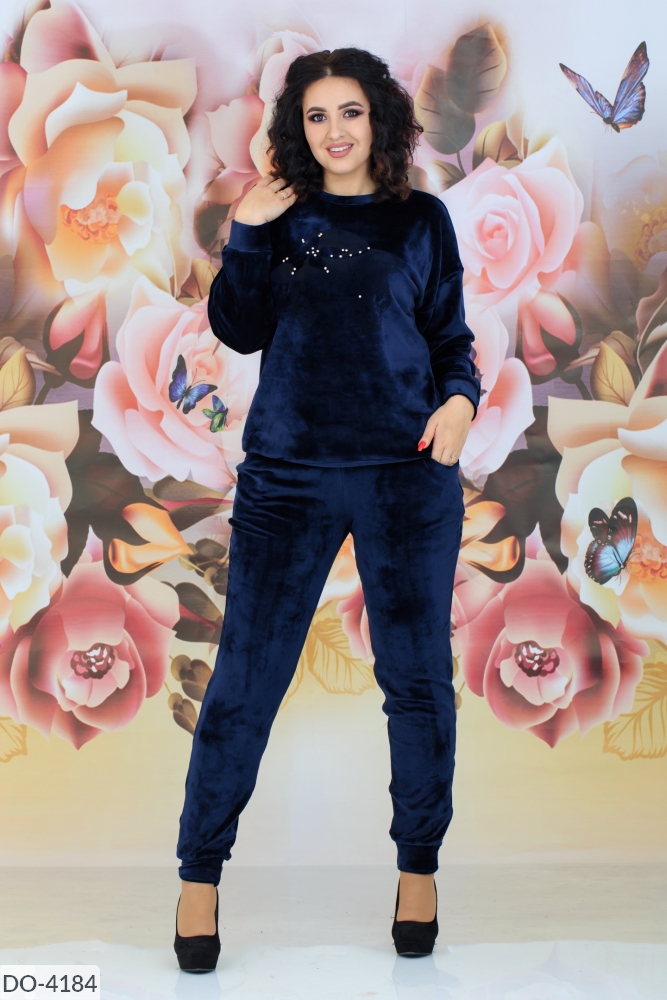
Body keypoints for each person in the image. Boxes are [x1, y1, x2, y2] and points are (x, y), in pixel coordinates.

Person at [174, 47, 479, 972]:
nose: (335, 131)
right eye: (316, 116)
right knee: (244, 681)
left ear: (377, 118)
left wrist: (459, 402)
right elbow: (239, 330)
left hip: (406, 473)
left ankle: (418, 868)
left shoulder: (421, 219)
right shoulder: (277, 216)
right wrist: (246, 231)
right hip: (288, 477)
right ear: (296, 129)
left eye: (350, 111)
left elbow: (450, 337)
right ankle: (198, 876)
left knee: (416, 681)